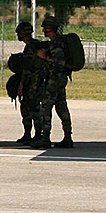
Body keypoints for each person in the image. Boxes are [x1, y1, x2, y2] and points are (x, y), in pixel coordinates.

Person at [40, 15, 75, 147]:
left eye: (45, 29)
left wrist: (45, 58)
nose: (44, 31)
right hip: (60, 79)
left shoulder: (56, 43)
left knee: (46, 107)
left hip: (54, 79)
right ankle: (67, 137)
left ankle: (45, 138)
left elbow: (59, 62)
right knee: (61, 107)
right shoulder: (61, 41)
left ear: (50, 29)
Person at [10, 21, 41, 144]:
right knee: (32, 109)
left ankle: (34, 134)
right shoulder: (35, 45)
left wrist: (21, 85)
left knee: (30, 109)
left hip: (31, 84)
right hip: (36, 82)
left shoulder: (30, 47)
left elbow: (27, 69)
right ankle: (32, 134)